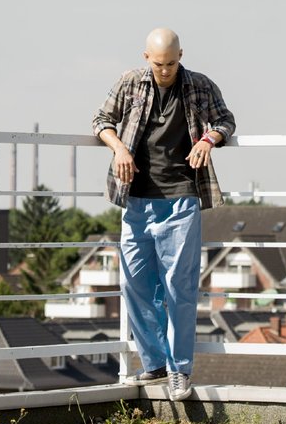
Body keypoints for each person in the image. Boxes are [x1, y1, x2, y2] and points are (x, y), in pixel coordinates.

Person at [94, 27, 235, 402]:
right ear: (146, 58)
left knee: (179, 288)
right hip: (136, 200)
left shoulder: (199, 85)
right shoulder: (129, 83)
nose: (166, 70)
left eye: (172, 63)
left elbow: (225, 120)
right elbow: (101, 121)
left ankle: (179, 370)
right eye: (159, 64)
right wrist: (119, 149)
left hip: (181, 198)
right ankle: (155, 363)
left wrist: (209, 140)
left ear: (181, 56)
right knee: (135, 284)